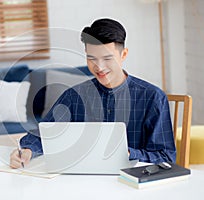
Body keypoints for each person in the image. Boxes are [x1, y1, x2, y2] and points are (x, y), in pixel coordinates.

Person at [10, 18, 176, 169]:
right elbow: (43, 133)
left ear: (123, 55)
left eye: (107, 58)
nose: (99, 67)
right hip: (83, 182)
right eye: (92, 58)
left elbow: (166, 157)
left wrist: (129, 154)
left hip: (132, 183)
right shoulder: (74, 96)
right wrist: (27, 151)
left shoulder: (152, 97)